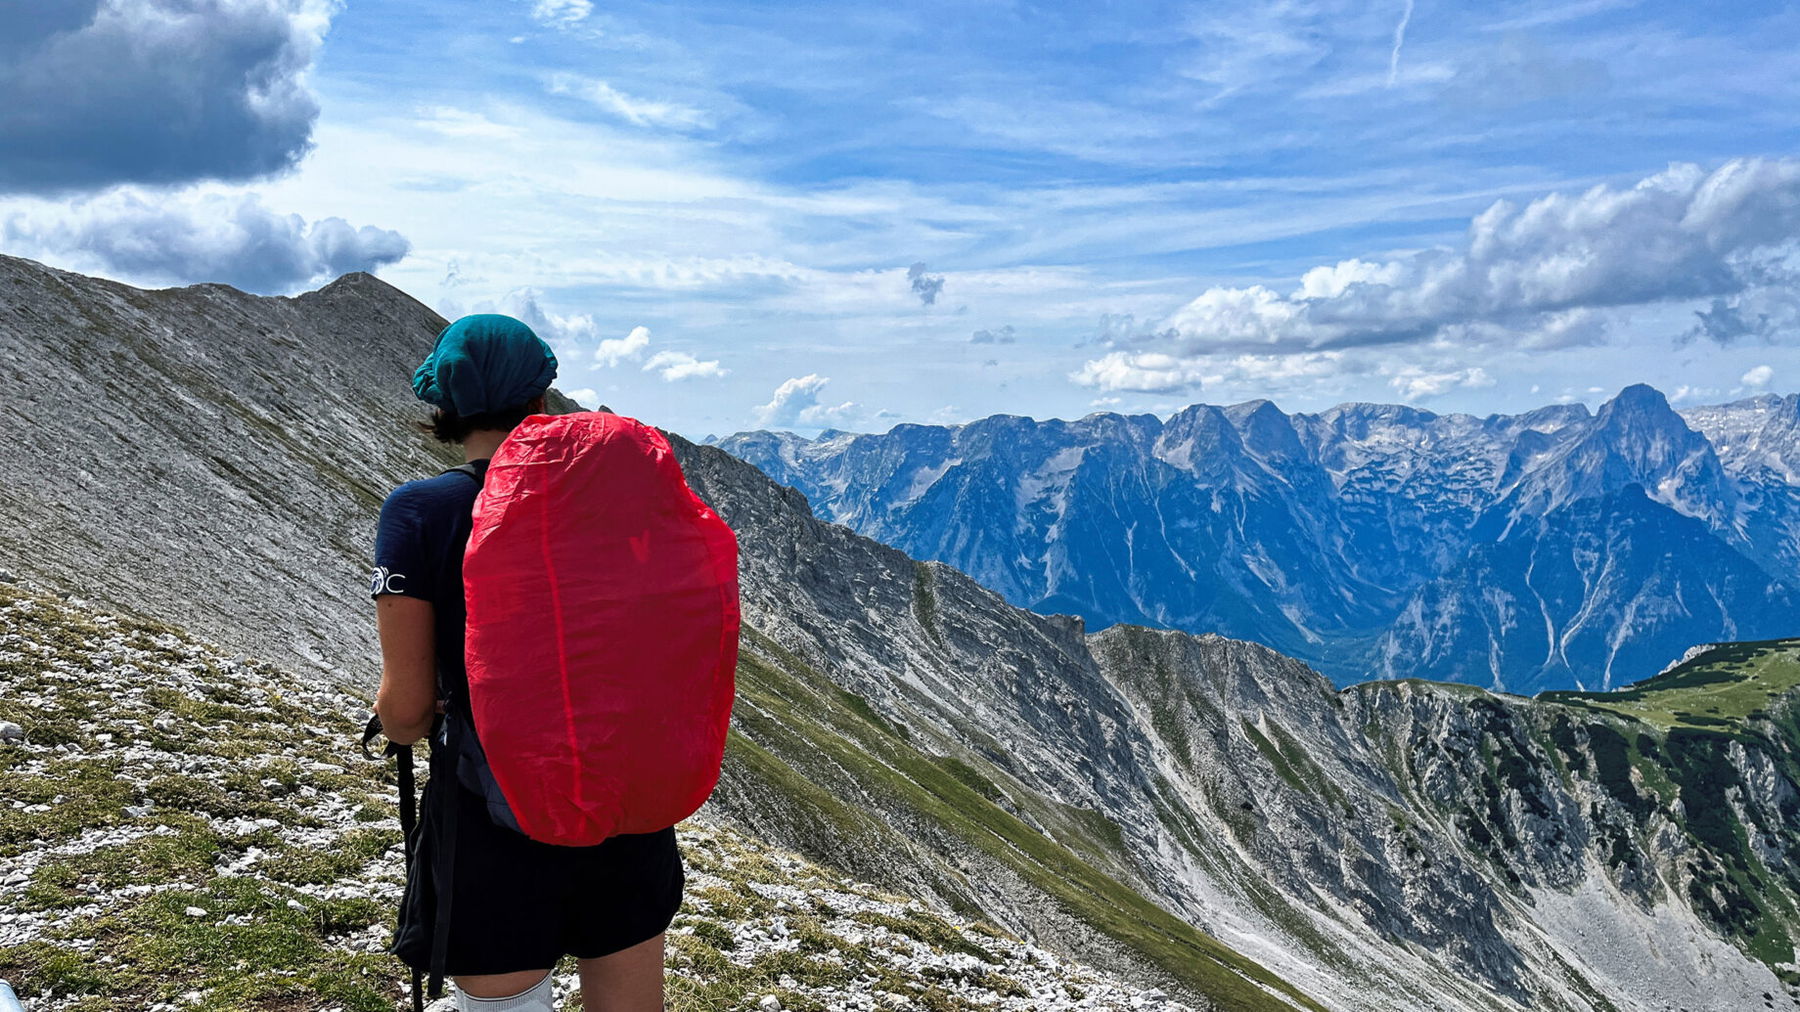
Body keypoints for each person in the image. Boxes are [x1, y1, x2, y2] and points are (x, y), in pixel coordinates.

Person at [370, 313, 683, 1012]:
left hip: (491, 817)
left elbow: (407, 713)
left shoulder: (421, 512)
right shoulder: (617, 503)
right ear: (541, 398)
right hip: (620, 805)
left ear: (443, 409)